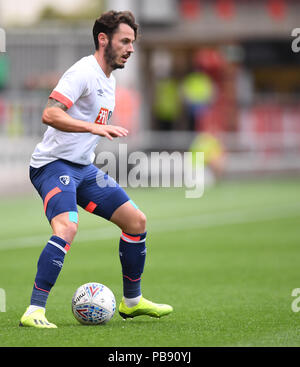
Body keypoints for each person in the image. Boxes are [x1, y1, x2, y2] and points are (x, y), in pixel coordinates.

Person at [19, 10, 173, 328]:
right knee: (67, 228)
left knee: (136, 221)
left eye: (133, 42)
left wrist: (93, 131)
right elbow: (50, 114)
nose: (131, 48)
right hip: (52, 165)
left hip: (84, 170)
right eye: (125, 41)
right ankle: (34, 310)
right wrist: (92, 128)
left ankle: (131, 303)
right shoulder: (83, 72)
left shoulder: (109, 80)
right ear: (103, 39)